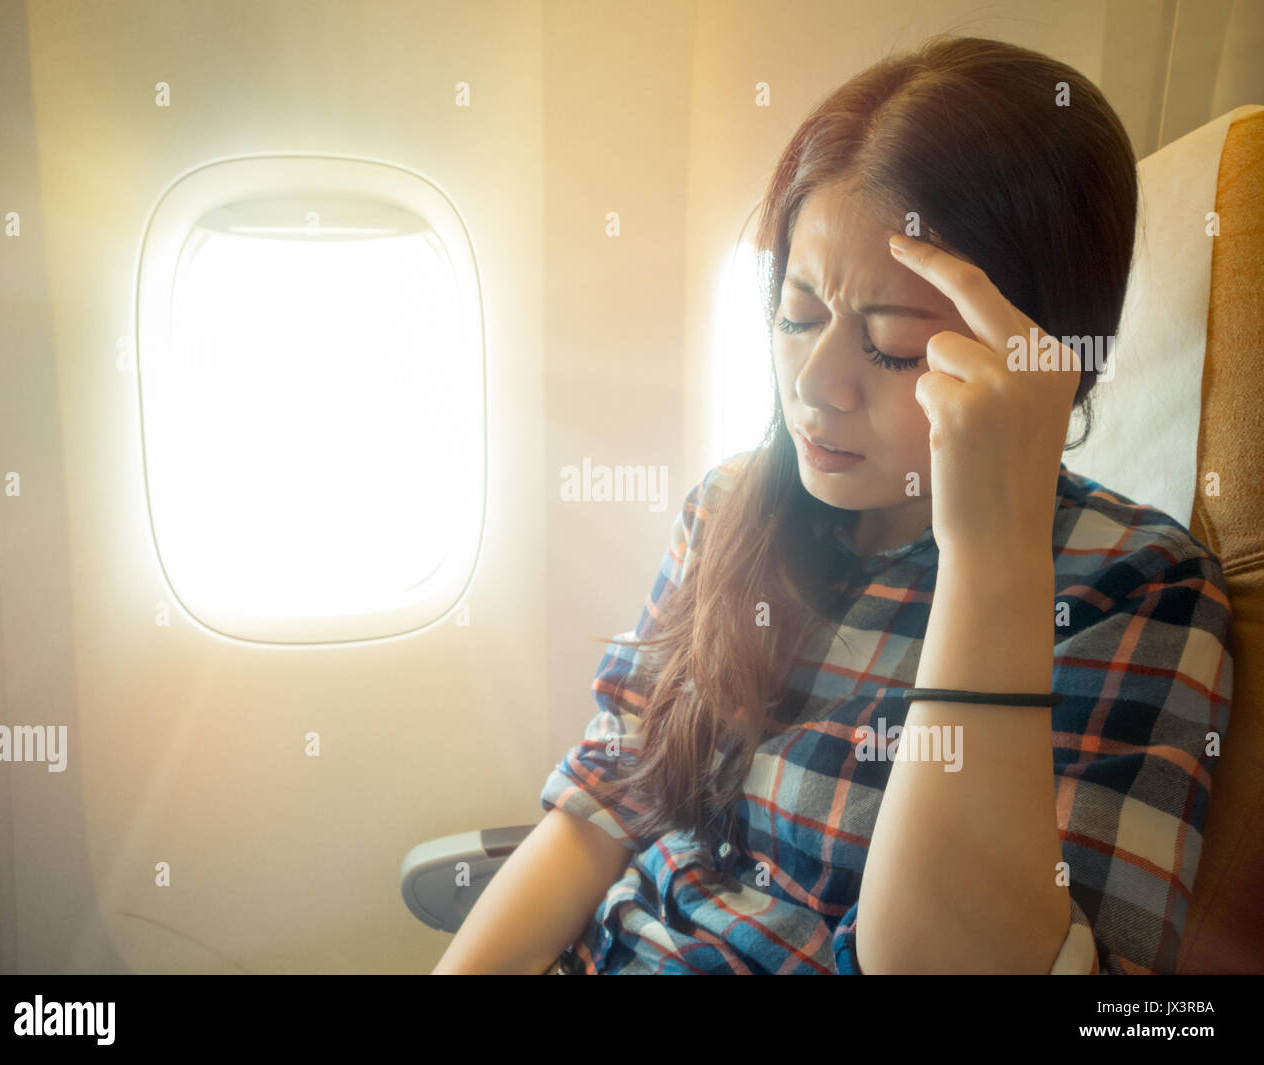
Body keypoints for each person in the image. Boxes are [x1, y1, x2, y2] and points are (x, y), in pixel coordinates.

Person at [431, 34, 1233, 975]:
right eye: (799, 315)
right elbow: (606, 804)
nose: (816, 385)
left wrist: (992, 555)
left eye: (892, 344)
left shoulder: (1133, 588)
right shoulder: (732, 505)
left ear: (1041, 355)